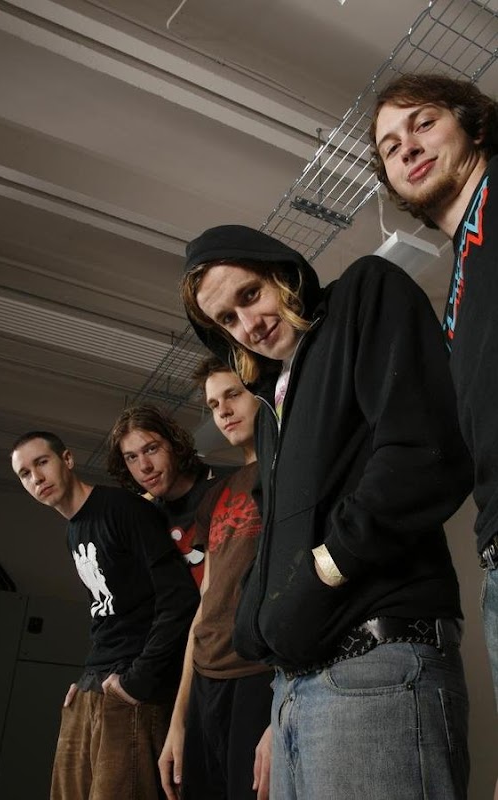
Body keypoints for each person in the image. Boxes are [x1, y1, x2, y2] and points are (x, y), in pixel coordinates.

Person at [180, 224, 473, 800]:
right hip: (294, 687)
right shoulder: (270, 408)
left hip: (378, 666)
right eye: (228, 320)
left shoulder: (364, 294)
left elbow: (424, 452)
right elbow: (273, 540)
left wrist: (326, 570)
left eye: (250, 295)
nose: (249, 324)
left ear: (281, 273)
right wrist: (261, 634)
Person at [369, 72, 498, 704]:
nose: (409, 148)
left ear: (472, 124)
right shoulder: (458, 286)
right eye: (391, 147)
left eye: (423, 123)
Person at [11, 431, 199, 800]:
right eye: (25, 474)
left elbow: (179, 598)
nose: (36, 478)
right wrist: (88, 677)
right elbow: (106, 612)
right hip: (94, 685)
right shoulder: (73, 531)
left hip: (132, 689)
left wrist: (139, 680)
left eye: (42, 462)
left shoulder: (123, 509)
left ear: (67, 459)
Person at [158, 357, 272, 800]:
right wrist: (178, 720)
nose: (222, 411)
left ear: (260, 394)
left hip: (258, 671)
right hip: (206, 678)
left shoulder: (287, 472)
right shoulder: (217, 494)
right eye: (212, 404)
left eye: (232, 395)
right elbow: (204, 602)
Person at [107, 405, 233, 587]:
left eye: (151, 449)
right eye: (132, 457)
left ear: (174, 444)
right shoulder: (145, 518)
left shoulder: (233, 483)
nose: (144, 466)